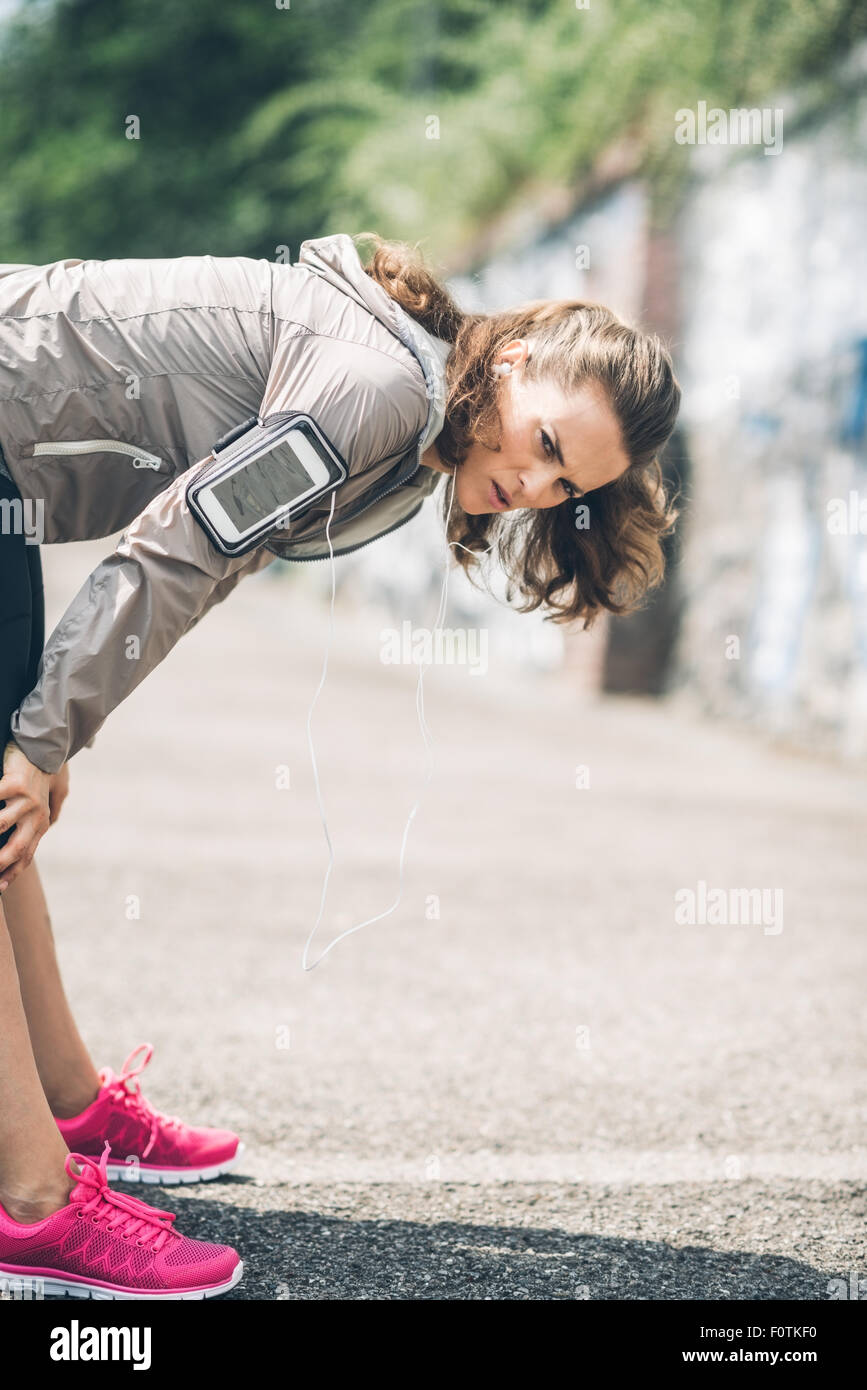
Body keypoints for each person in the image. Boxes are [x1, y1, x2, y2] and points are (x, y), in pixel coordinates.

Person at [0, 231, 680, 1298]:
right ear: (509, 362)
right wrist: (47, 732)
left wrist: (54, 727)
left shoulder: (414, 426)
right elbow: (182, 547)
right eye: (544, 440)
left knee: (7, 818)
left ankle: (69, 1108)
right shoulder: (375, 394)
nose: (536, 485)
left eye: (565, 481)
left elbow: (224, 552)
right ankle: (31, 1203)